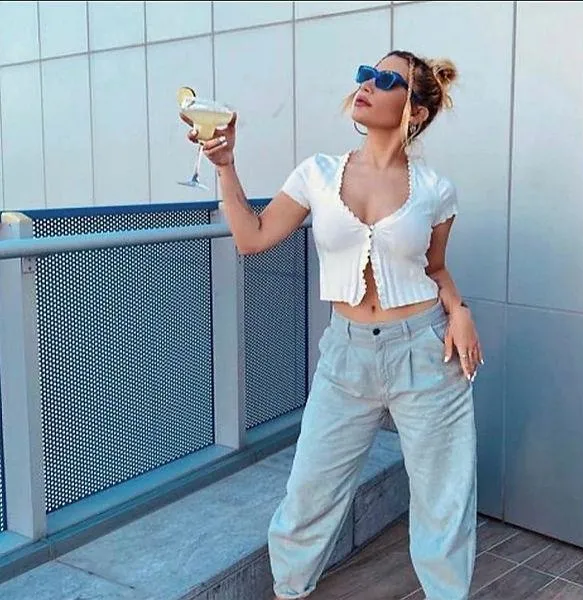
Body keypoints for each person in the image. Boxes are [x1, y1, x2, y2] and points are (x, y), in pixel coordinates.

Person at [182, 49, 483, 600]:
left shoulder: (436, 189)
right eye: (365, 74)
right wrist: (225, 166)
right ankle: (290, 590)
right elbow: (251, 237)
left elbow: (435, 269)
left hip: (425, 351)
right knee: (309, 494)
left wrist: (459, 311)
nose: (367, 83)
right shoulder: (317, 174)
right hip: (346, 354)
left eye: (386, 79)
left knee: (444, 501)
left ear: (414, 111)